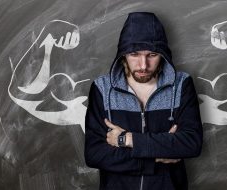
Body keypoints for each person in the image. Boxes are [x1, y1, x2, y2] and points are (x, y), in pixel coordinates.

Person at [84, 12, 203, 190]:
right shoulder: (102, 88)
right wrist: (155, 159)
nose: (143, 65)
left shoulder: (182, 85)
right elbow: (95, 154)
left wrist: (127, 139)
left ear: (162, 55)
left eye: (152, 55)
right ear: (123, 54)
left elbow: (191, 143)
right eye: (134, 54)